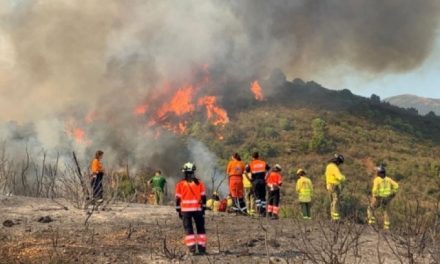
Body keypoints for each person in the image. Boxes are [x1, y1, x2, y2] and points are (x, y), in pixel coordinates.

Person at [175, 162, 207, 255]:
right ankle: (202, 249)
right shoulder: (200, 183)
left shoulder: (180, 184)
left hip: (185, 211)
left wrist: (178, 210)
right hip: (198, 210)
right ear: (193, 172)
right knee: (201, 229)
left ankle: (192, 250)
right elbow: (204, 198)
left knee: (188, 229)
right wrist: (203, 210)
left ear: (184, 172)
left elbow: (177, 199)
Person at [367, 165, 399, 230]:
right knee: (386, 212)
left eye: (377, 172)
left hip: (379, 198)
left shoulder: (377, 180)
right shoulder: (389, 179)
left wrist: (374, 196)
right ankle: (386, 227)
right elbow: (396, 186)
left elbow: (374, 190)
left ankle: (371, 223)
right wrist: (393, 193)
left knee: (370, 209)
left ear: (379, 173)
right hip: (387, 199)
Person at [245, 152, 270, 216]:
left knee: (257, 197)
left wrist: (250, 179)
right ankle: (263, 211)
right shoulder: (263, 163)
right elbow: (269, 170)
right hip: (262, 181)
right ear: (258, 156)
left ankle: (259, 210)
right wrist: (266, 178)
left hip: (255, 182)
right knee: (263, 196)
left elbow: (245, 172)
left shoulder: (251, 164)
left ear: (252, 157)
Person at [325, 153, 346, 221]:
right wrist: (344, 178)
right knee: (336, 201)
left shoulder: (328, 166)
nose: (339, 164)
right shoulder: (334, 167)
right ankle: (335, 218)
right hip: (334, 186)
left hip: (328, 185)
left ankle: (333, 217)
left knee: (332, 201)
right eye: (339, 162)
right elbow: (339, 177)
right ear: (337, 161)